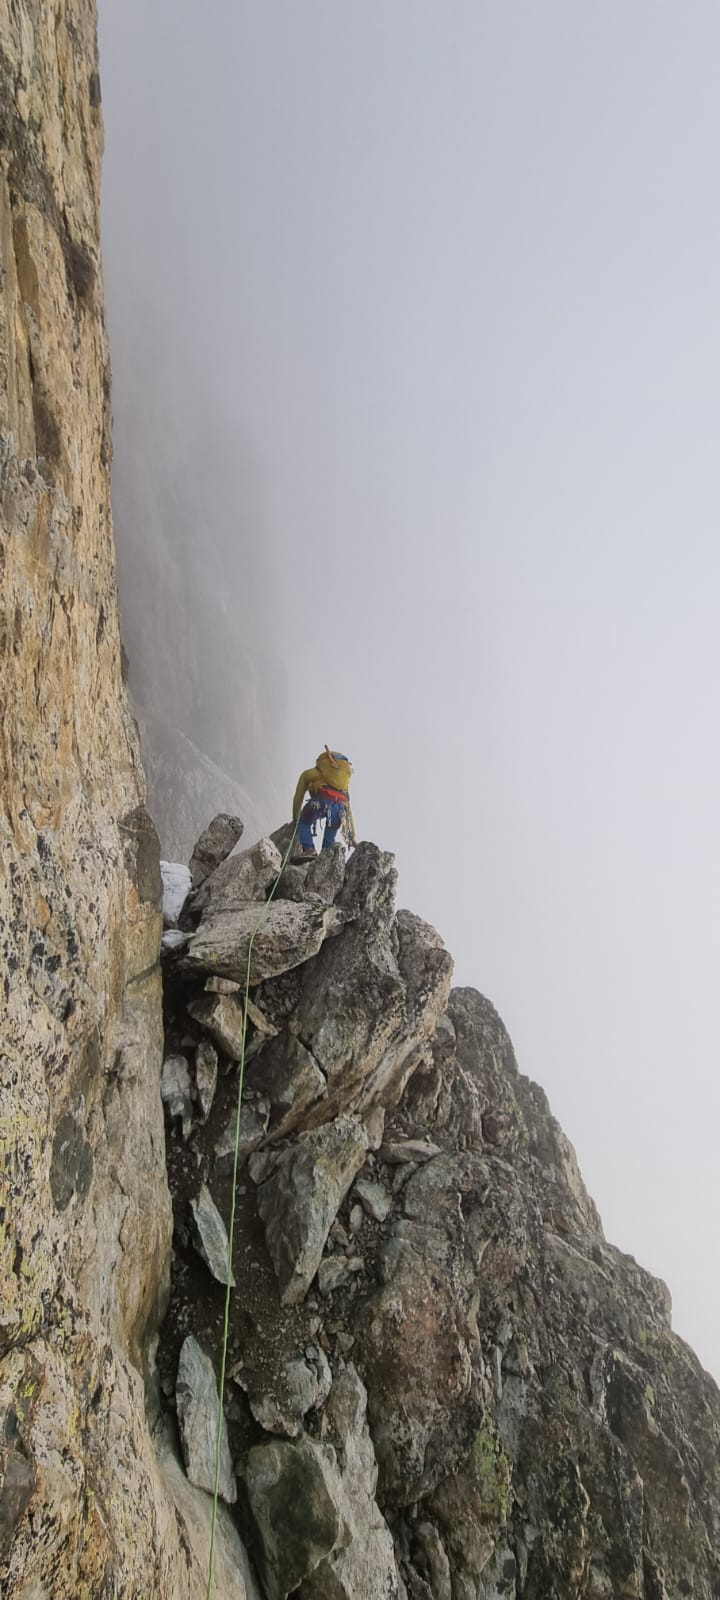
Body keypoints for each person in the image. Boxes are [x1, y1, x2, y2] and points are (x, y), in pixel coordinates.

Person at [292, 747, 356, 860]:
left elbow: (298, 796)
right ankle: (325, 861)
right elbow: (348, 809)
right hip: (339, 810)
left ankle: (309, 849)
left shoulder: (315, 772)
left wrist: (296, 818)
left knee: (304, 822)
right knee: (329, 843)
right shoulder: (343, 787)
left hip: (321, 801)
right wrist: (351, 836)